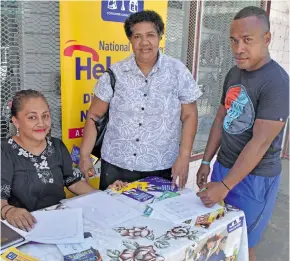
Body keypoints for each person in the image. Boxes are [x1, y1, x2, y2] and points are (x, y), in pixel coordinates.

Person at [196, 6, 289, 261]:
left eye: (247, 40)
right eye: (234, 41)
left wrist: (225, 186)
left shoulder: (277, 83)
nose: (238, 49)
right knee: (215, 236)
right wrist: (206, 161)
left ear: (267, 39)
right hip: (223, 167)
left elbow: (260, 143)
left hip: (254, 179)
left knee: (242, 245)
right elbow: (220, 118)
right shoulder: (234, 71)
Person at [80, 10, 202, 190]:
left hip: (160, 165)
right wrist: (84, 155)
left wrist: (184, 156)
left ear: (160, 36)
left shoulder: (178, 72)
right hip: (116, 165)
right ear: (130, 40)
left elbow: (190, 115)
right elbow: (94, 116)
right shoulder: (115, 74)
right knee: (114, 215)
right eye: (137, 36)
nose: (144, 42)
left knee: (156, 216)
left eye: (150, 35)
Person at [0, 90, 126, 232]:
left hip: (59, 221)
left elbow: (72, 181)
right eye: (32, 118)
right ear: (16, 121)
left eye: (45, 116)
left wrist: (104, 196)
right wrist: (8, 211)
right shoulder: (4, 151)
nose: (41, 123)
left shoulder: (56, 145)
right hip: (24, 227)